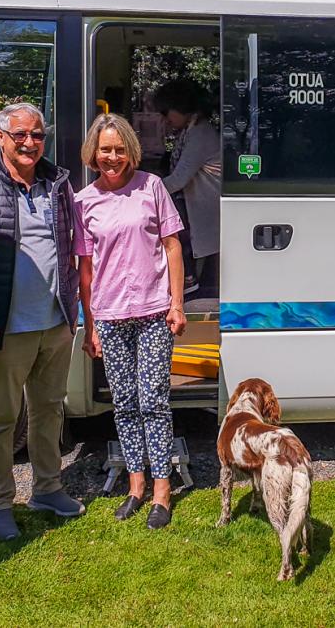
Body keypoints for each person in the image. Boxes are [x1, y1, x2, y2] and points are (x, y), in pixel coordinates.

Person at [0, 103, 84, 541]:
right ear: (0, 137)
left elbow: (70, 249)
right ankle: (0, 505)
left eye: (37, 135)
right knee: (0, 419)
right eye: (20, 135)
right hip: (4, 326)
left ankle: (48, 489)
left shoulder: (58, 183)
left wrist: (74, 311)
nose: (30, 143)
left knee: (49, 412)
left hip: (55, 323)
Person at [75, 113, 187, 529]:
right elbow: (85, 269)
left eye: (120, 149)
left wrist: (177, 303)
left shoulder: (152, 187)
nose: (113, 157)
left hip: (154, 311)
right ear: (94, 152)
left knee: (154, 400)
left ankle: (162, 489)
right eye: (105, 149)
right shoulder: (84, 201)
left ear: (131, 151)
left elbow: (173, 246)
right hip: (109, 314)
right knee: (123, 403)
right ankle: (135, 485)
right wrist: (90, 325)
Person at [152, 80, 221, 297]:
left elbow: (178, 180)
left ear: (181, 107)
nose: (165, 118)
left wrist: (139, 192)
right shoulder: (188, 131)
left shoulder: (200, 133)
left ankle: (187, 279)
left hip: (204, 211)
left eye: (166, 112)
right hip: (197, 209)